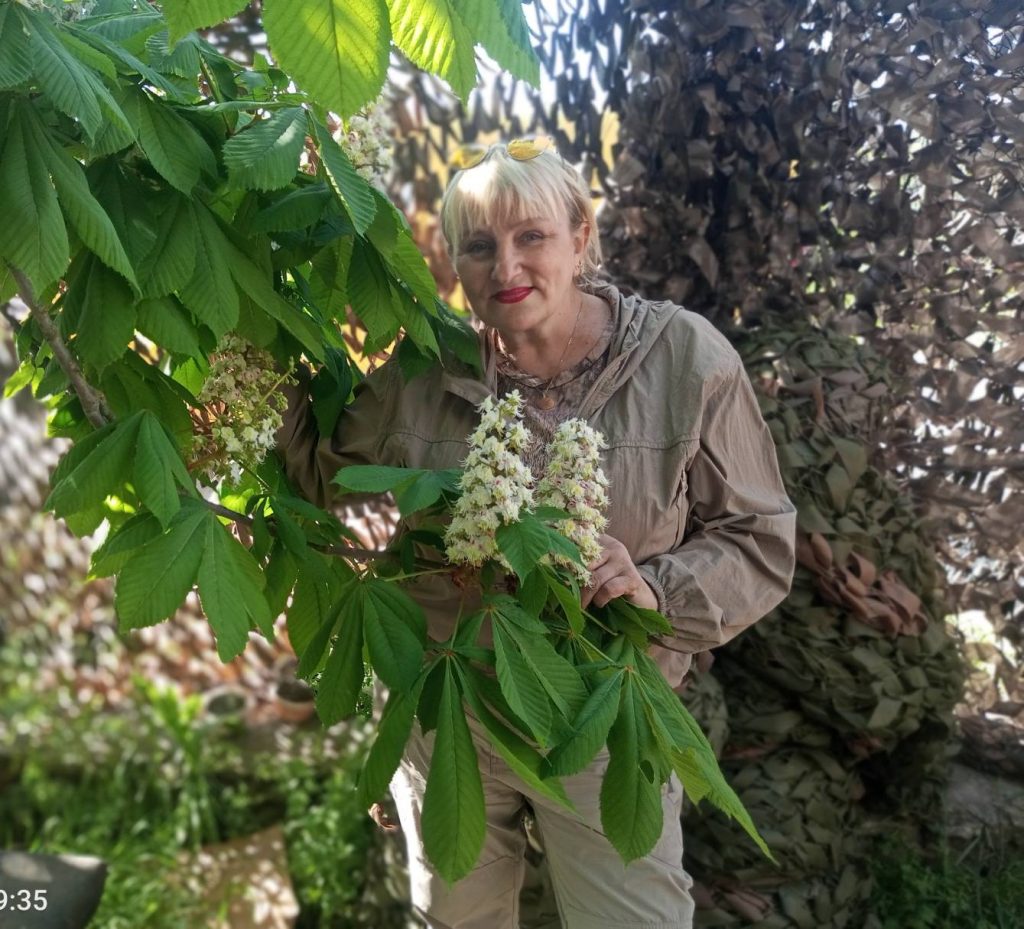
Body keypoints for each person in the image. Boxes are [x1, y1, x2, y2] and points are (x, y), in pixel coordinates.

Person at [276, 137, 797, 929]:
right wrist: (256, 335)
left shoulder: (686, 358)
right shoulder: (424, 365)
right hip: (450, 712)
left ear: (580, 236)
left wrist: (655, 588)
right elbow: (325, 481)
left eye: (532, 236)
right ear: (455, 261)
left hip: (599, 716)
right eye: (479, 246)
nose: (506, 266)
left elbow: (759, 538)